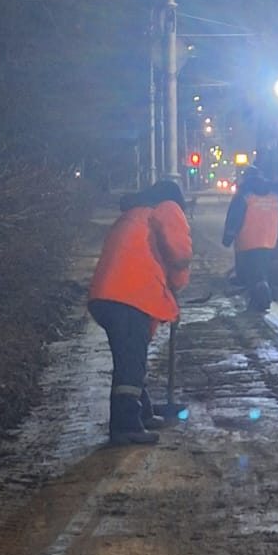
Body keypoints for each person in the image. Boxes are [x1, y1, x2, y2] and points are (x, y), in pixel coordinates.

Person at [88, 181, 192, 445]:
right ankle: (125, 427)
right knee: (130, 363)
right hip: (129, 294)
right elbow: (179, 251)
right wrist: (178, 280)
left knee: (130, 359)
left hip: (106, 295)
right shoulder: (168, 207)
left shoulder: (134, 214)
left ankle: (142, 414)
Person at [222, 166, 278, 311]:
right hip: (269, 240)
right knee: (261, 273)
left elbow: (234, 218)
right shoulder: (273, 195)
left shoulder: (244, 195)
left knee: (250, 275)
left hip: (247, 241)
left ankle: (261, 301)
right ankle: (259, 300)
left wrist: (228, 237)